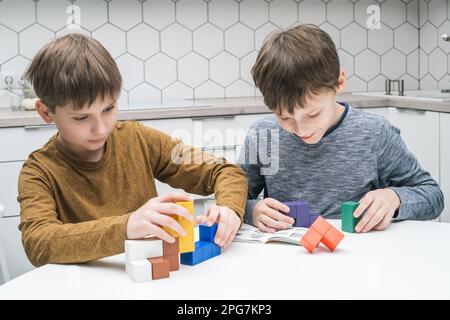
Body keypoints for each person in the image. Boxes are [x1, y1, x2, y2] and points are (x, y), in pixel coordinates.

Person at [18, 33, 247, 267]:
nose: (100, 128)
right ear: (46, 112)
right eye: (81, 118)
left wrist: (229, 208)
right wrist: (127, 226)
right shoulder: (39, 171)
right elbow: (39, 243)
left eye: (108, 109)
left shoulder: (140, 140)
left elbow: (223, 171)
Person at [239, 24, 444, 234]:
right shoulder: (263, 135)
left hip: (359, 256)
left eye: (312, 114)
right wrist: (252, 210)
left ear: (339, 82)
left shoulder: (374, 133)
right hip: (290, 255)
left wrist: (395, 198)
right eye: (284, 117)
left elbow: (433, 197)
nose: (300, 129)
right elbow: (233, 198)